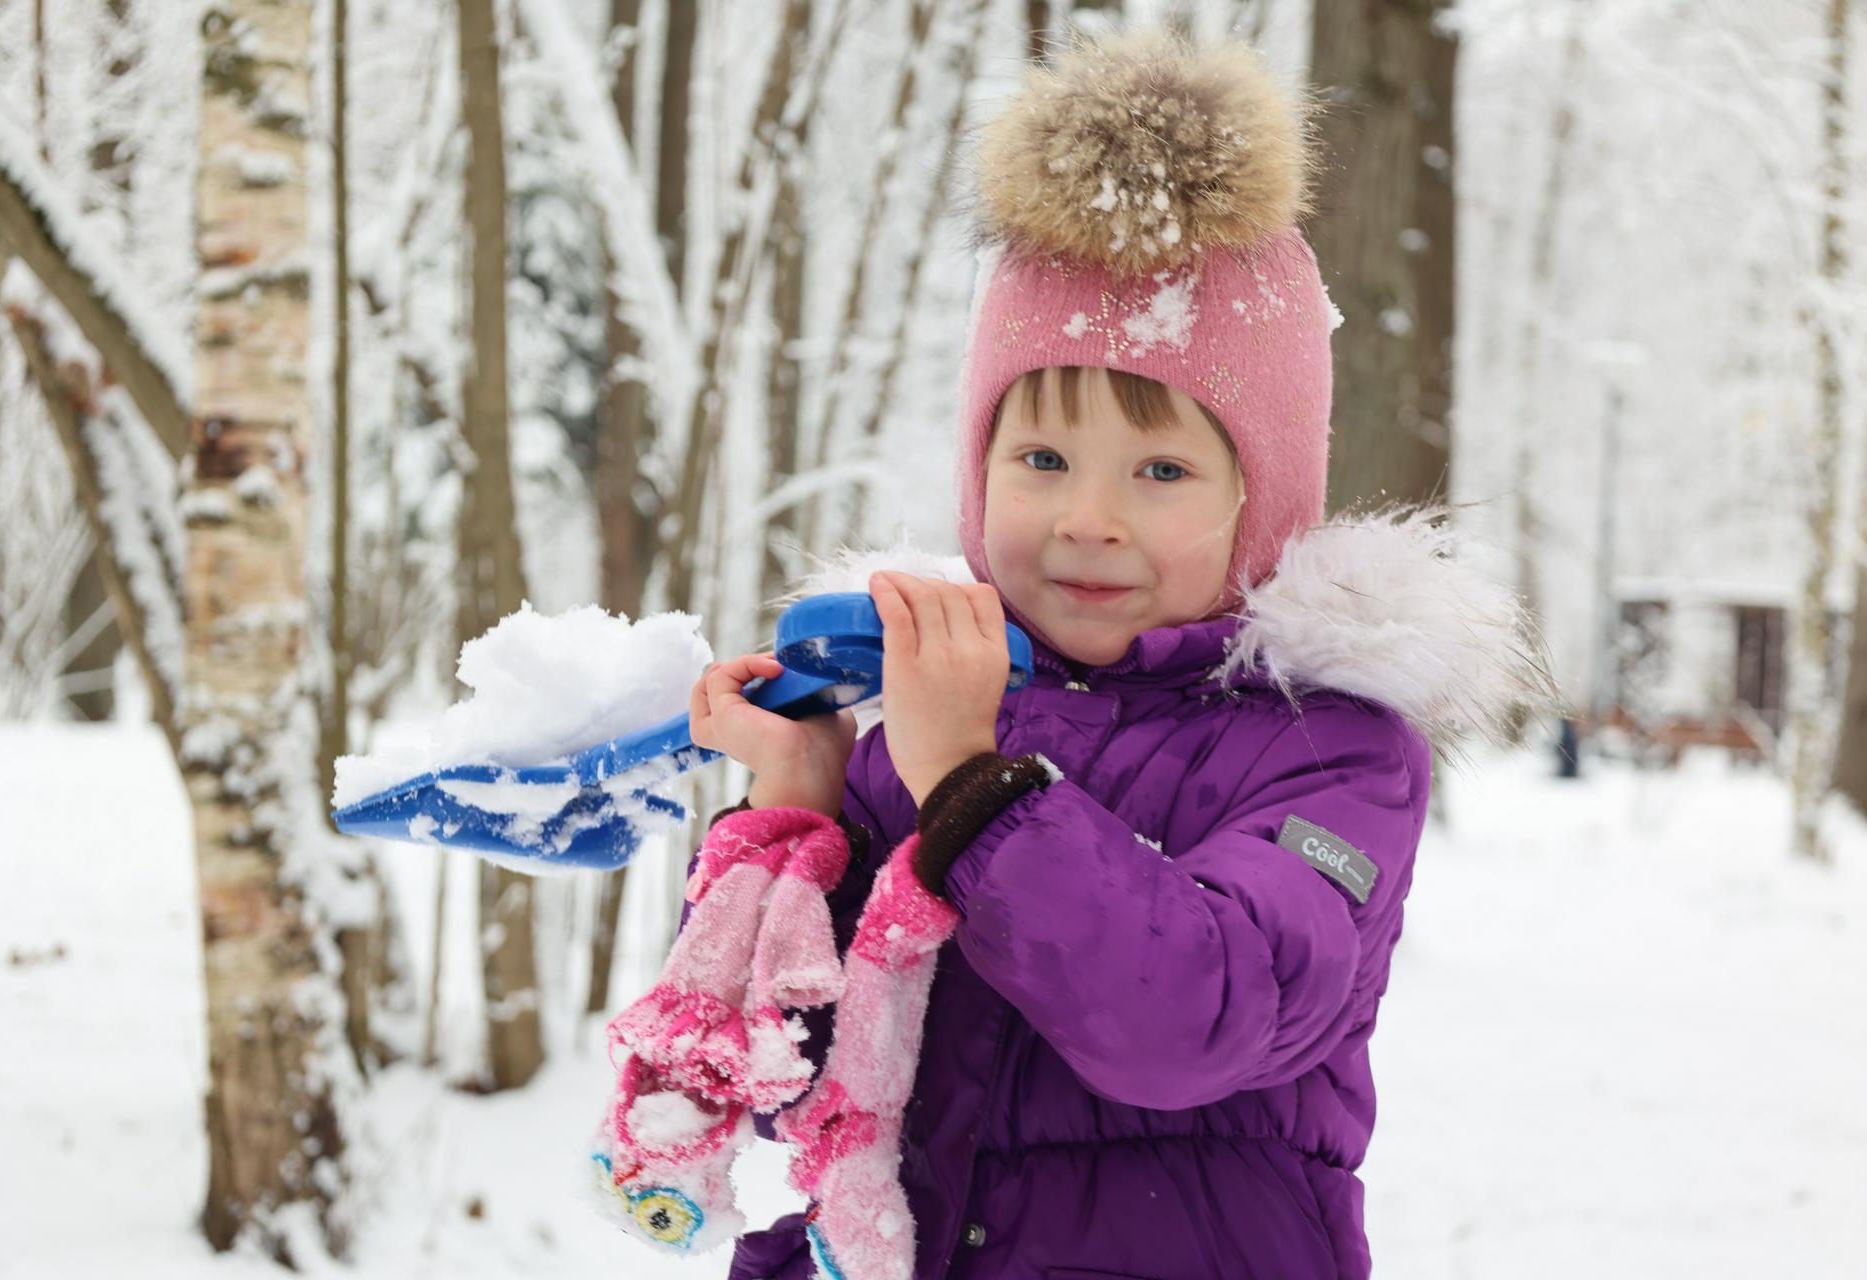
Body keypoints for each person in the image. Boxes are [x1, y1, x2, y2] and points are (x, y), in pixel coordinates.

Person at [600, 27, 1557, 1280]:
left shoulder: (1331, 752)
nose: (1088, 517)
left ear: (1261, 501)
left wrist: (971, 788)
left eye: (1161, 470)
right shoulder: (922, 728)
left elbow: (1191, 1021)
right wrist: (804, 798)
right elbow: (801, 1084)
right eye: (1042, 458)